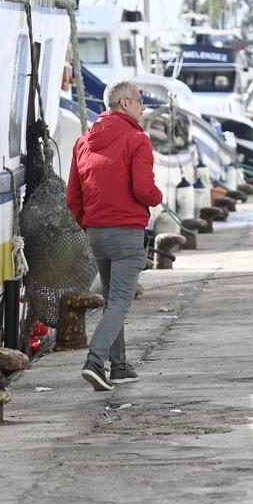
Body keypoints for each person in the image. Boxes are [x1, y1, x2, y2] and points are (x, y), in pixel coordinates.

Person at [66, 79, 163, 391]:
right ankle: (95, 360)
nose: (143, 106)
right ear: (125, 103)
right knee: (121, 300)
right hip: (126, 232)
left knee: (112, 300)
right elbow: (144, 190)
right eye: (139, 100)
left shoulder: (83, 141)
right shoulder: (137, 140)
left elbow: (73, 196)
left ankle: (119, 367)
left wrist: (89, 223)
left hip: (97, 233)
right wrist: (158, 196)